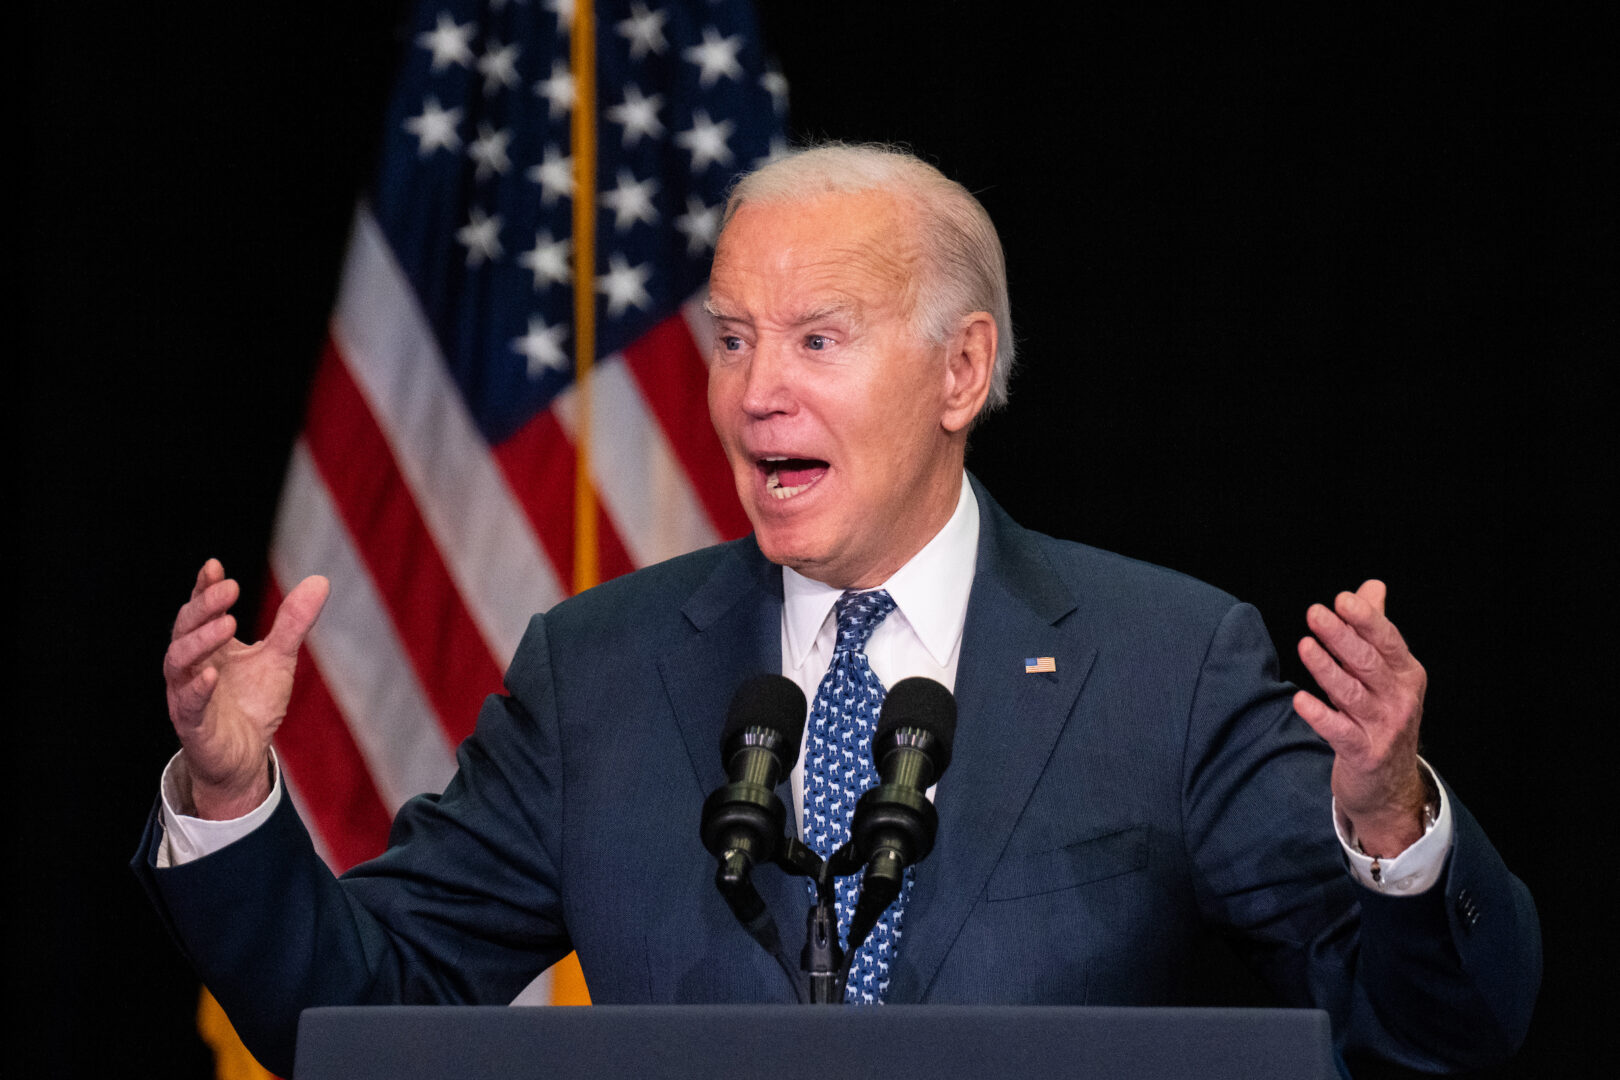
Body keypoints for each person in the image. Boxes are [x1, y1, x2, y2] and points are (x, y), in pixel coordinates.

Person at [136, 144, 1539, 1076]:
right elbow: (366, 1010)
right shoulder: (600, 674)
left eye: (818, 341)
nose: (756, 393)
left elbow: (1435, 1032)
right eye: (733, 339)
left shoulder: (1164, 663)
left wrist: (1392, 829)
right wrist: (229, 794)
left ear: (958, 371)